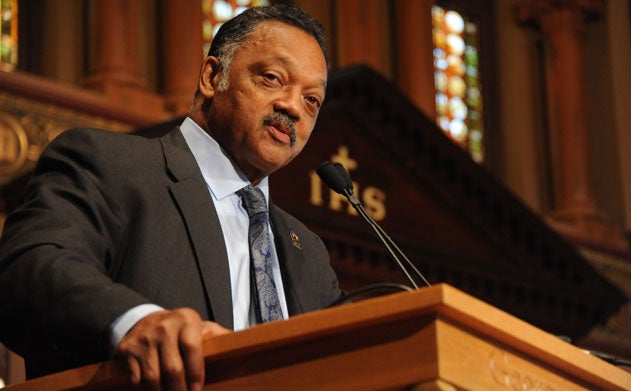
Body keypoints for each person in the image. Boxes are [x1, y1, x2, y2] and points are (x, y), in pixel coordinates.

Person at [0, 4, 343, 390]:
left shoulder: (306, 251)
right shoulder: (112, 166)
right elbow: (24, 269)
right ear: (212, 77)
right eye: (272, 78)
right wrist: (132, 322)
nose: (293, 107)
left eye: (312, 100)